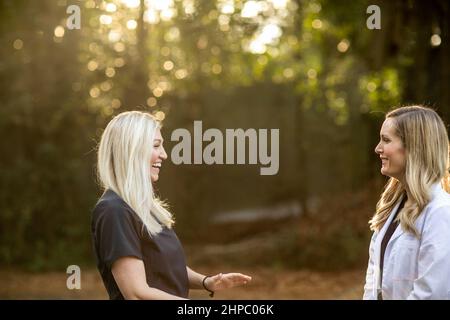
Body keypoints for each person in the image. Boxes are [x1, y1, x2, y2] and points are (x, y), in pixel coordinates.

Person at [91, 111, 252, 300]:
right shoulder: (113, 210)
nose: (164, 155)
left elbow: (163, 265)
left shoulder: (143, 208)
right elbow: (136, 292)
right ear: (132, 149)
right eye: (156, 146)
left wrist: (206, 282)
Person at [363, 105, 450, 300]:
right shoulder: (392, 208)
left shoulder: (441, 212)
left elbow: (432, 294)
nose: (377, 148)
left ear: (414, 147)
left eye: (386, 140)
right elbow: (374, 279)